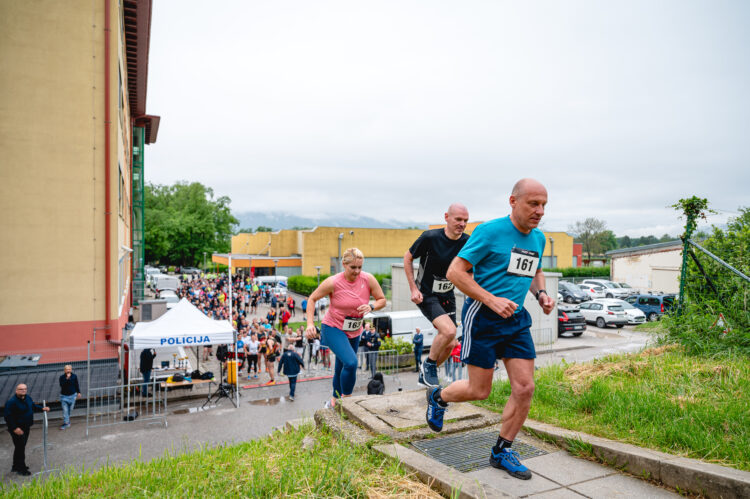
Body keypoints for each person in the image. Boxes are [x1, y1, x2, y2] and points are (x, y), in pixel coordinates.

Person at [425, 178, 555, 481]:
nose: (540, 211)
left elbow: (535, 269)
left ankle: (501, 451)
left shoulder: (538, 238)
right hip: (483, 317)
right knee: (479, 391)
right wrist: (491, 299)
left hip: (516, 320)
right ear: (513, 201)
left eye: (544, 205)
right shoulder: (489, 231)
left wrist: (541, 294)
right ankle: (439, 397)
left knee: (525, 388)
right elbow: (455, 272)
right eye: (533, 204)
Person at [305, 248, 387, 408]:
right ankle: (347, 400)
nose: (357, 271)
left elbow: (382, 299)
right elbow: (312, 299)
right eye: (353, 268)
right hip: (333, 328)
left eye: (360, 267)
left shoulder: (368, 279)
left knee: (341, 367)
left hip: (355, 330)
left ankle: (334, 402)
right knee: (351, 362)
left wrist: (372, 306)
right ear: (344, 264)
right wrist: (309, 324)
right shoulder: (333, 282)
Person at [404, 203, 470, 387]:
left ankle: (426, 372)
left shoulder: (467, 241)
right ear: (446, 217)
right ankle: (430, 366)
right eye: (458, 219)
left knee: (450, 343)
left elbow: (470, 270)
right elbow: (407, 257)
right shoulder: (430, 237)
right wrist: (413, 289)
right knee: (448, 330)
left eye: (465, 221)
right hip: (426, 293)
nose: (462, 224)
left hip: (448, 295)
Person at [4, 384, 50, 475]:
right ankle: (21, 469)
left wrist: (42, 408)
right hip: (18, 429)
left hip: (26, 427)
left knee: (20, 447)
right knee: (20, 448)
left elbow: (32, 406)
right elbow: (8, 417)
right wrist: (14, 428)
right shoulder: (11, 402)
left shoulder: (27, 398)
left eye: (25, 389)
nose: (23, 391)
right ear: (16, 390)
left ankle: (15, 466)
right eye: (21, 389)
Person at [59, 364, 81, 429]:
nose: (68, 371)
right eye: (67, 369)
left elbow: (76, 384)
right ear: (64, 370)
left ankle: (67, 421)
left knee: (70, 409)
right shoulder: (62, 377)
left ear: (71, 370)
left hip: (72, 396)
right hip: (64, 396)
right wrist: (67, 379)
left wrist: (78, 392)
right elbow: (62, 385)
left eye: (69, 369)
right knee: (65, 410)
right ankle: (66, 423)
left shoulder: (74, 376)